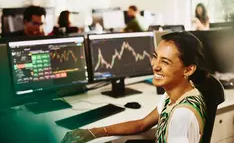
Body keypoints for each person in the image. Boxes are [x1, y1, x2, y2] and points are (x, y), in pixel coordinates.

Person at [61, 31, 209, 143]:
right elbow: (142, 124)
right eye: (154, 56)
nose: (155, 66)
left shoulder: (182, 114)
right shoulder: (175, 95)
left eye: (165, 62)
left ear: (188, 70)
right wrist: (93, 132)